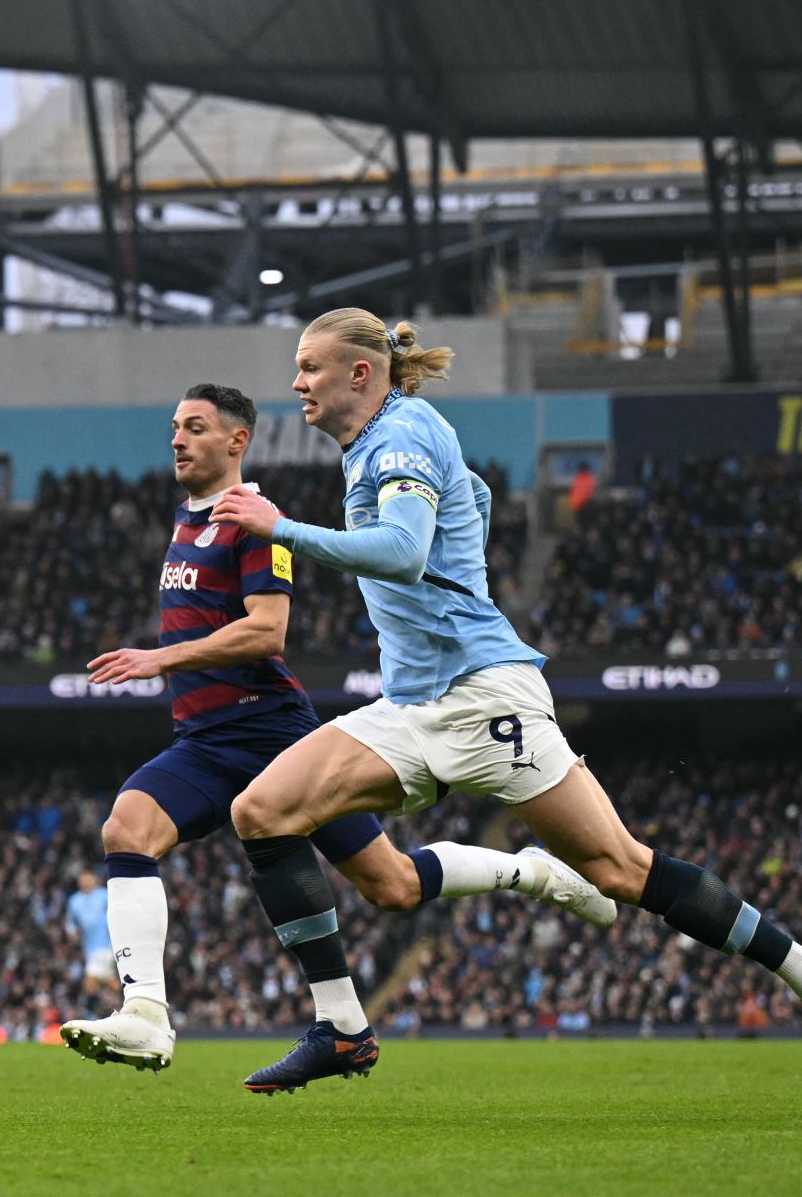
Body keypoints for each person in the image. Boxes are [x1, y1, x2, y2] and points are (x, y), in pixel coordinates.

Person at [207, 308, 802, 1095]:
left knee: (620, 869)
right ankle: (342, 1029)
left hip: (487, 698)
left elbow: (403, 550)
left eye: (310, 367)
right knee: (262, 812)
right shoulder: (375, 446)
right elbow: (477, 498)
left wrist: (281, 527)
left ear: (361, 373)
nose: (296, 382)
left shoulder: (402, 434)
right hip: (411, 706)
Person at [60, 382, 614, 1073]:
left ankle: (532, 873)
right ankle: (145, 1014)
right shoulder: (184, 520)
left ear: (236, 441)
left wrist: (160, 656)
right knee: (125, 831)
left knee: (394, 887)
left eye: (194, 427)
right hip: (202, 742)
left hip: (273, 735)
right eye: (174, 426)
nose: (177, 438)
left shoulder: (255, 523)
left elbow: (269, 631)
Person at [64, 870, 114, 1003]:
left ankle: (98, 1008)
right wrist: (72, 932)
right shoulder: (74, 901)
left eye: (88, 878)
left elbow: (116, 912)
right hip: (88, 948)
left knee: (90, 983)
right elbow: (70, 922)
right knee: (107, 980)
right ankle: (113, 1000)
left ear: (94, 879)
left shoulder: (104, 895)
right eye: (83, 879)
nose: (86, 881)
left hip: (105, 944)